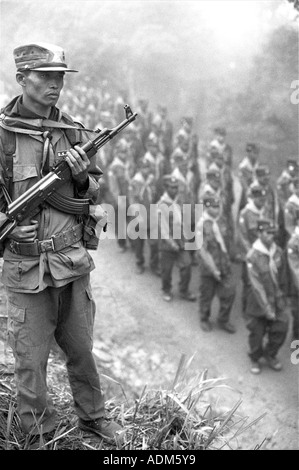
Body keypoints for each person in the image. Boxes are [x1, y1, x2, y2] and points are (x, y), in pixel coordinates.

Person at [0, 43, 122, 441]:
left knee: (82, 351)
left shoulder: (71, 128)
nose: (56, 85)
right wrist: (8, 226)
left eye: (60, 78)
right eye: (46, 76)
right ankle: (37, 434)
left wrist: (83, 177)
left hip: (70, 262)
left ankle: (94, 417)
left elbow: (94, 192)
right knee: (30, 361)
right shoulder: (3, 135)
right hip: (27, 267)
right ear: (21, 79)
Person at [245, 220, 289, 374]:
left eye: (272, 232)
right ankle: (255, 358)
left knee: (282, 327)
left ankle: (270, 354)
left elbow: (283, 276)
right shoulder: (253, 256)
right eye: (267, 232)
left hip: (277, 300)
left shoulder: (277, 252)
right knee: (256, 333)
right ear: (259, 233)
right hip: (259, 304)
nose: (271, 236)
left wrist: (285, 297)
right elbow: (257, 287)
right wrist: (267, 309)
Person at [196, 195, 236, 334]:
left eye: (218, 206)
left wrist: (229, 257)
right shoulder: (201, 224)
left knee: (230, 292)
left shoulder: (221, 220)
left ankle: (223, 319)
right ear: (207, 207)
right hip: (209, 267)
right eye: (214, 207)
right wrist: (213, 270)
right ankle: (204, 318)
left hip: (224, 264)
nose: (217, 209)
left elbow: (227, 240)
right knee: (207, 294)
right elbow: (202, 250)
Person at [157, 175, 196, 302]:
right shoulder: (162, 204)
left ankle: (183, 290)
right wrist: (172, 244)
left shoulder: (180, 200)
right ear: (166, 188)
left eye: (176, 187)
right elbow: (163, 230)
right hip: (167, 243)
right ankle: (166, 290)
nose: (175, 190)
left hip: (181, 240)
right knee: (167, 270)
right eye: (172, 187)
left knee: (187, 265)